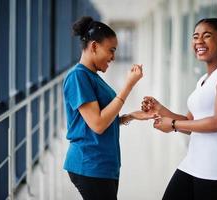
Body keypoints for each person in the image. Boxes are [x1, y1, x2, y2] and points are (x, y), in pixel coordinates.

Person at [142, 18, 217, 200]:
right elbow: (190, 123)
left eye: (207, 36)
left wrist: (173, 124)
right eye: (195, 36)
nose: (199, 41)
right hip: (194, 162)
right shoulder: (204, 79)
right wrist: (161, 109)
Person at [63, 16, 155, 200]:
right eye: (111, 50)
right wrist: (128, 86)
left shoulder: (92, 75)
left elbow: (99, 119)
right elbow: (97, 124)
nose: (113, 57)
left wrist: (130, 116)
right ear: (94, 46)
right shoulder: (78, 77)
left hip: (103, 165)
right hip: (90, 165)